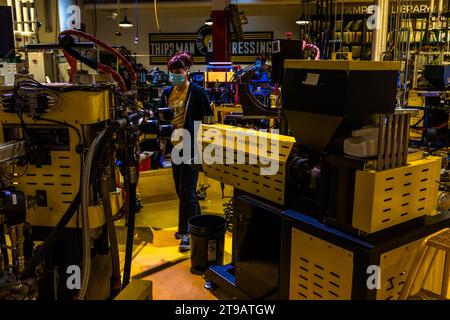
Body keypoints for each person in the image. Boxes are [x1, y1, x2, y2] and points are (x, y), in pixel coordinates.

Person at [160, 52, 213, 252]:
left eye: (179, 72)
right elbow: (163, 118)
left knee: (187, 190)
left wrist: (203, 144)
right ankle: (194, 226)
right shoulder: (167, 92)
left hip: (191, 146)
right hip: (175, 146)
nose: (176, 76)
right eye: (172, 73)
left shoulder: (197, 92)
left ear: (187, 71)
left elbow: (207, 118)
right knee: (180, 190)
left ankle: (187, 234)